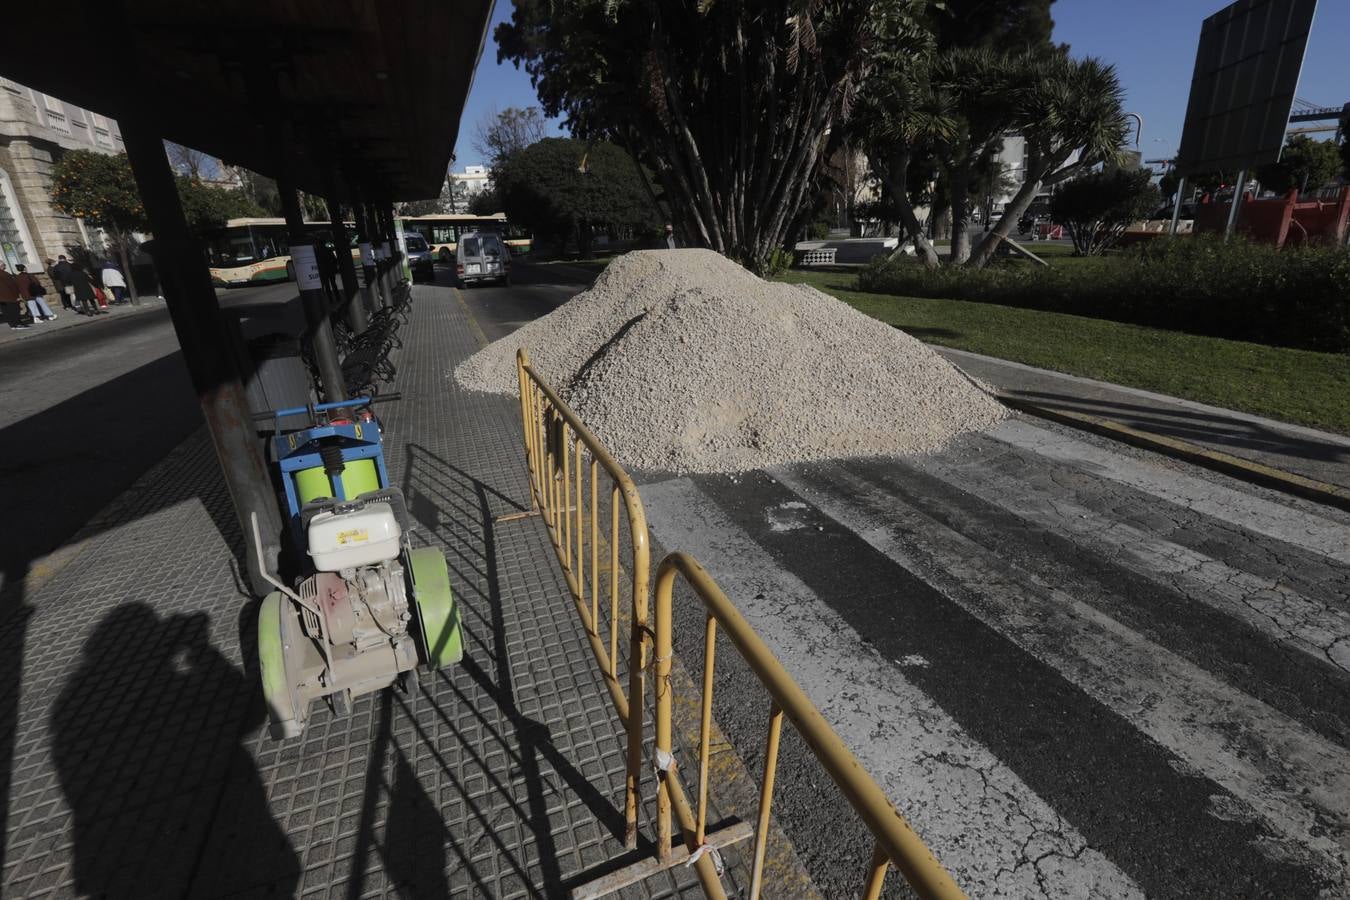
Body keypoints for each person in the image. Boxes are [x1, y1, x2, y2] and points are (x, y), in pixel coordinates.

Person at [0, 260, 31, 330]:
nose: (5, 266)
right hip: (9, 296)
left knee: (6, 312)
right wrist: (16, 295)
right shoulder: (4, 274)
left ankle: (12, 325)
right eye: (4, 264)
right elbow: (11, 285)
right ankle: (17, 324)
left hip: (2, 298)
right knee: (14, 310)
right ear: (1, 266)